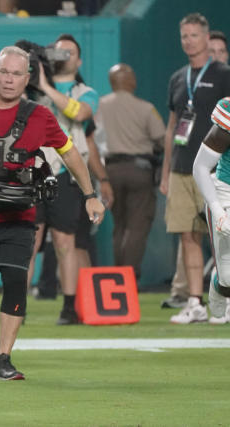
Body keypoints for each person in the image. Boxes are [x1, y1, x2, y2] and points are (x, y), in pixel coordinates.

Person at [0, 46, 104, 380]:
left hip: (20, 218)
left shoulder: (41, 115)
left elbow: (71, 154)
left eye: (16, 74)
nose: (9, 79)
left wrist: (91, 194)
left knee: (17, 280)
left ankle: (3, 358)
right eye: (4, 72)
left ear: (28, 78)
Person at [160, 13, 230, 324]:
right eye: (184, 36)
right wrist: (164, 173)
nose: (189, 41)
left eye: (193, 35)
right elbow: (172, 125)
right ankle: (194, 301)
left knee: (222, 246)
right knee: (188, 235)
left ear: (206, 38)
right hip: (183, 165)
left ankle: (223, 295)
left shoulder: (224, 73)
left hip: (217, 170)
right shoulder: (178, 78)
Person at [29, 33, 100, 325]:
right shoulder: (32, 88)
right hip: (35, 169)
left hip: (67, 174)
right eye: (58, 52)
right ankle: (17, 306)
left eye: (69, 53)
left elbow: (80, 113)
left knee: (64, 243)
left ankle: (69, 307)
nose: (63, 57)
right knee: (28, 243)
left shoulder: (85, 91)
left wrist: (46, 86)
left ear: (79, 60)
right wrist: (37, 75)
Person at [97, 63, 165, 278]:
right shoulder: (145, 108)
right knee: (137, 227)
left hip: (111, 172)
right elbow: (163, 139)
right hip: (140, 172)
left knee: (119, 227)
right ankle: (129, 278)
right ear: (130, 81)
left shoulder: (99, 106)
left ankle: (118, 278)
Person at [193, 97, 230, 324]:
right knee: (229, 280)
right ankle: (219, 283)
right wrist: (218, 211)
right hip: (227, 193)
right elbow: (200, 167)